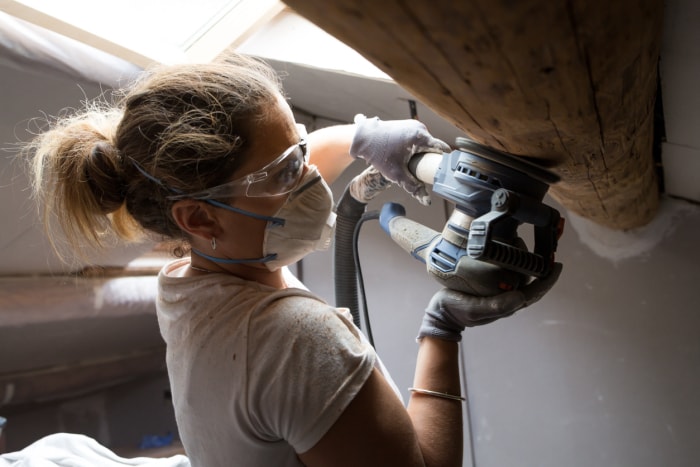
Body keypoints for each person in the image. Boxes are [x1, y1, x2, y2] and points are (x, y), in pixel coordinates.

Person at [26, 52, 562, 467]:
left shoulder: (189, 282)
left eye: (300, 150)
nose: (308, 177)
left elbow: (262, 185)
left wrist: (362, 138)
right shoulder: (294, 339)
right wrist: (441, 328)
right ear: (198, 220)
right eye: (288, 171)